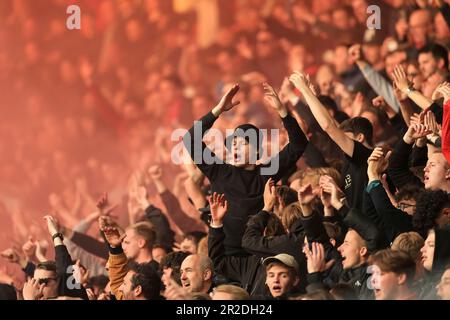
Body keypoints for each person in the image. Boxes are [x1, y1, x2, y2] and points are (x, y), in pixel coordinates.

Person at [183, 82, 308, 255]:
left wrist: (282, 111)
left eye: (242, 143)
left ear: (257, 150)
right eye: (233, 144)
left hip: (258, 253)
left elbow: (298, 144)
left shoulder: (266, 172)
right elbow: (190, 139)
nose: (235, 147)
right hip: (226, 257)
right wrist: (218, 111)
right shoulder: (220, 171)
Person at [290, 71, 373, 211]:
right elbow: (333, 126)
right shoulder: (349, 162)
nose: (338, 140)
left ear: (360, 138)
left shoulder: (364, 155)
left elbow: (330, 127)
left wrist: (304, 90)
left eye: (344, 136)